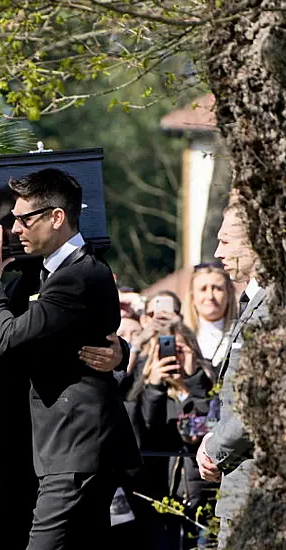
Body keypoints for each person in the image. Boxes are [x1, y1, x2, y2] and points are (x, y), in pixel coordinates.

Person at [0, 168, 141, 549]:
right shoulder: (36, 276)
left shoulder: (80, 275)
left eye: (25, 219)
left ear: (56, 217)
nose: (14, 229)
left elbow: (9, 337)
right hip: (38, 450)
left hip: (73, 449)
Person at [195, 201, 268, 549]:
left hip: (256, 490)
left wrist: (214, 448)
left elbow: (255, 399)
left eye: (226, 241)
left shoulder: (270, 303)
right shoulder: (254, 300)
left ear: (254, 239)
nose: (216, 250)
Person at [132, 322, 217, 549]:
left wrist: (194, 381)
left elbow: (205, 427)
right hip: (161, 502)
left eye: (180, 350)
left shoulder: (207, 383)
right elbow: (146, 432)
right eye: (167, 351)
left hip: (203, 500)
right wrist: (155, 387)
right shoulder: (147, 389)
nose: (174, 357)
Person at [183, 263, 237, 364]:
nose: (210, 296)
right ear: (192, 296)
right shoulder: (181, 337)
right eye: (203, 289)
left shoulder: (241, 333)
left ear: (229, 294)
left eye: (217, 288)